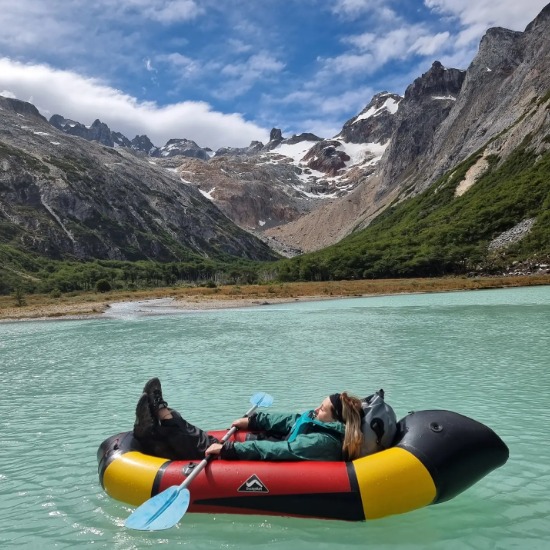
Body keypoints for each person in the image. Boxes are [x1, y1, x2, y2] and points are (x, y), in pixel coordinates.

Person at [133, 378, 365, 462]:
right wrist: (255, 421)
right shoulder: (323, 425)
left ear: (335, 418)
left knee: (203, 446)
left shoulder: (324, 442)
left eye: (322, 408)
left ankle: (163, 418)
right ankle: (162, 422)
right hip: (271, 444)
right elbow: (292, 420)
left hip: (270, 457)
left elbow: (283, 450)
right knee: (206, 440)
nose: (316, 409)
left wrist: (232, 450)